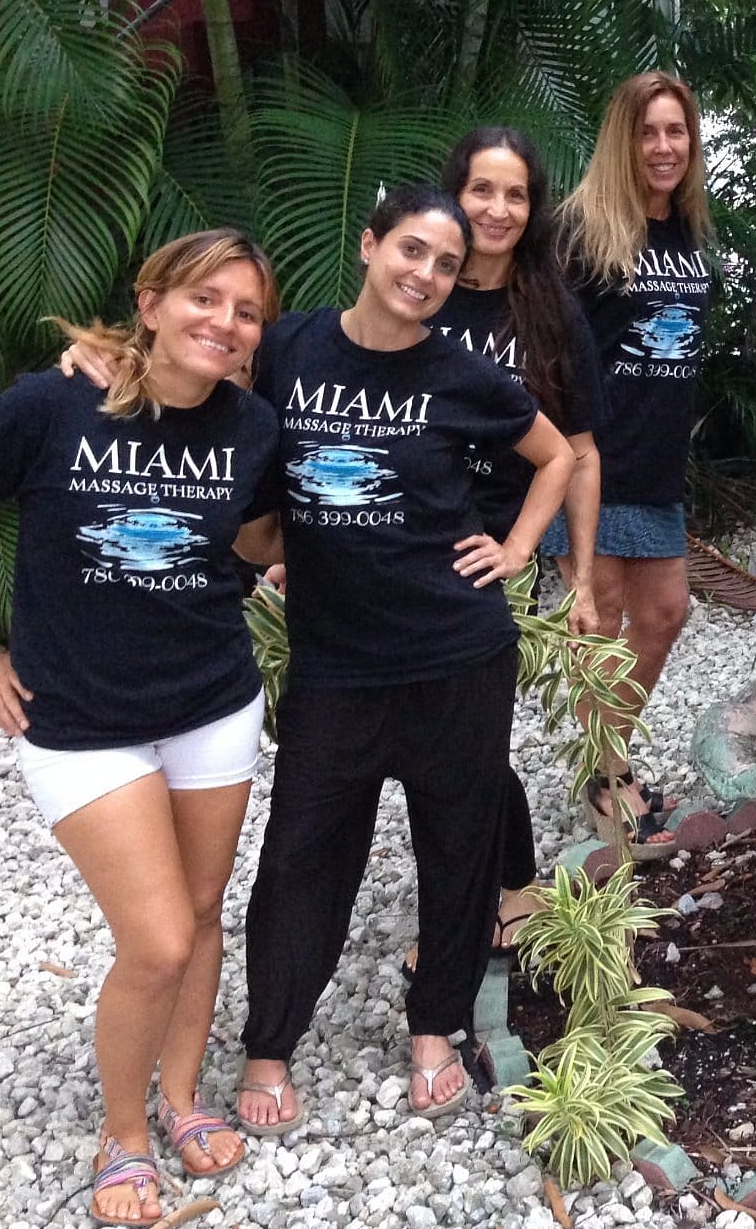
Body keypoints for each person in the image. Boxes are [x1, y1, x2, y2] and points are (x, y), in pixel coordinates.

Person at [0, 230, 283, 1227]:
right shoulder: (50, 405)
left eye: (245, 312)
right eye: (204, 299)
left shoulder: (250, 428)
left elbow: (252, 536)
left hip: (213, 703)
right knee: (156, 940)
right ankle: (121, 1132)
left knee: (203, 912)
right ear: (151, 302)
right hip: (80, 723)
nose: (224, 323)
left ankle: (179, 1095)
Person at [230, 185, 575, 1129]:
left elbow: (558, 458)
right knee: (302, 852)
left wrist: (514, 551)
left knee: (458, 844)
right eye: (411, 252)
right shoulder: (291, 348)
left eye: (446, 266)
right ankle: (270, 1046)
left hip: (454, 650)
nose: (425, 275)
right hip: (336, 660)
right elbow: (201, 399)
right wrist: (264, 544)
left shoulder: (460, 373)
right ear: (370, 244)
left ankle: (436, 1027)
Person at [410, 125, 607, 972]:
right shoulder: (419, 294)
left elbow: (583, 451)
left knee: (469, 735)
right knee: (435, 741)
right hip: (400, 543)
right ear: (455, 193)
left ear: (534, 210)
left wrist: (580, 577)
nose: (497, 209)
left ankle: (511, 892)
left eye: (516, 194)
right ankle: (479, 893)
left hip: (494, 552)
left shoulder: (549, 310)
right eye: (481, 190)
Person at [549, 72, 714, 851]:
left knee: (665, 614)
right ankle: (608, 776)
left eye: (675, 131)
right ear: (623, 139)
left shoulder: (686, 233)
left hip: (657, 462)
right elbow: (548, 357)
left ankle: (601, 760)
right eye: (648, 132)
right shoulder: (581, 232)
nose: (663, 147)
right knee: (604, 619)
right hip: (596, 461)